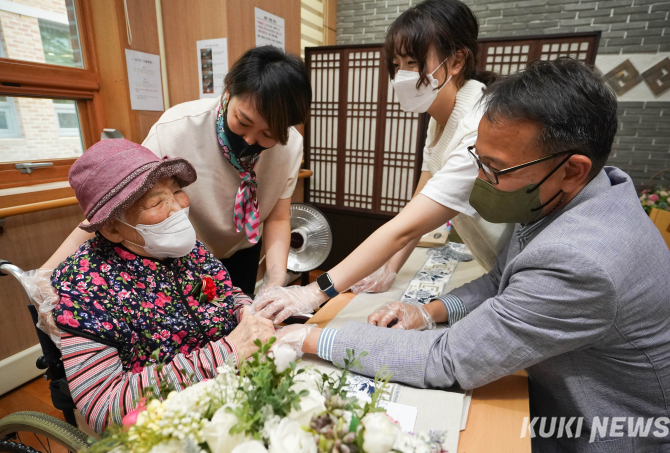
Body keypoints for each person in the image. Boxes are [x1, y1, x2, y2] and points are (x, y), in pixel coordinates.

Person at [275, 58, 670, 452]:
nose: (481, 180)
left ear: (572, 169)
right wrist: (429, 311)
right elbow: (502, 278)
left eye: (495, 169)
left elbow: (448, 360)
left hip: (609, 430)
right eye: (478, 162)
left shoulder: (581, 259)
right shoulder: (565, 194)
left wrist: (311, 335)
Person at [254, 0, 512, 322]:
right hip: (496, 264)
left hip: (515, 264)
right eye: (397, 62)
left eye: (413, 61)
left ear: (456, 60)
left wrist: (314, 292)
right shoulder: (440, 119)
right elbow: (420, 198)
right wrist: (390, 268)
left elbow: (404, 229)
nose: (402, 74)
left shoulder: (476, 128)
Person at [44, 45, 312, 295]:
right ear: (228, 91)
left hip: (243, 251)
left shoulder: (290, 147)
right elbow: (116, 201)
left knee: (238, 320)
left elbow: (277, 218)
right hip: (182, 256)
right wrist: (46, 273)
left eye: (268, 134)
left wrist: (275, 280)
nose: (250, 140)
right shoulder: (176, 129)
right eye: (243, 122)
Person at [51, 139, 275, 433]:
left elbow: (215, 294)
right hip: (165, 426)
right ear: (111, 227)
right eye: (156, 202)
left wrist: (245, 312)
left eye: (178, 191)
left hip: (230, 394)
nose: (179, 208)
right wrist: (227, 351)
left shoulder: (188, 252)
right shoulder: (86, 287)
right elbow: (104, 407)